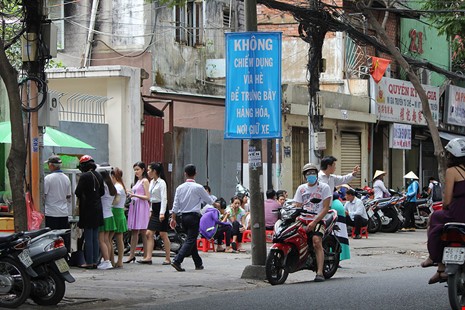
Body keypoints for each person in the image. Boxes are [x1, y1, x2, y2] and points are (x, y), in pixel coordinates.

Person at [422, 138, 465, 284]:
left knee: (433, 219)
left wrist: (447, 206)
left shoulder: (452, 171)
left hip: (456, 214)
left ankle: (433, 257)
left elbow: (446, 201)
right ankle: (440, 268)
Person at [170, 164, 218, 272]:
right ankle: (177, 260)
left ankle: (198, 263)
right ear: (195, 173)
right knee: (190, 239)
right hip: (193, 217)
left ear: (185, 174)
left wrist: (173, 218)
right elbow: (208, 200)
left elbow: (175, 205)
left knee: (190, 240)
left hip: (183, 217)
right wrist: (216, 205)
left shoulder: (179, 188)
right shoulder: (198, 187)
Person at [293, 163, 332, 282]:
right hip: (303, 219)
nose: (311, 175)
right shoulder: (301, 189)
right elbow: (297, 204)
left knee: (316, 241)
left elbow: (325, 208)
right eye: (308, 173)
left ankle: (319, 272)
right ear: (305, 176)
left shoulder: (324, 187)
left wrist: (314, 222)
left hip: (318, 219)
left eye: (313, 173)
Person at [75, 155, 104, 269]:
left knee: (88, 237)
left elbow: (78, 192)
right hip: (98, 208)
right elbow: (102, 192)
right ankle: (95, 261)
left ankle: (89, 262)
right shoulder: (99, 175)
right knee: (95, 237)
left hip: (87, 209)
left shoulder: (84, 176)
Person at [140, 162, 171, 265]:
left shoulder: (162, 183)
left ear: (155, 171)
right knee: (149, 233)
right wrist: (150, 210)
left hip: (162, 208)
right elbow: (152, 199)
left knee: (163, 234)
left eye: (149, 170)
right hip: (154, 208)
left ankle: (168, 258)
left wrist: (162, 213)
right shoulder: (152, 182)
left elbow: (164, 198)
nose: (148, 172)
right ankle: (148, 257)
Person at [44, 155, 72, 254]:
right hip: (63, 213)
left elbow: (44, 195)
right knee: (62, 239)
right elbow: (68, 196)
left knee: (51, 239)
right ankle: (64, 257)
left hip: (50, 213)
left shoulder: (48, 178)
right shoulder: (66, 178)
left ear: (51, 165)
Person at [125, 161, 151, 263]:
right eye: (135, 170)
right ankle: (132, 254)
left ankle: (145, 255)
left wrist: (135, 195)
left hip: (142, 207)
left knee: (143, 231)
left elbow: (148, 197)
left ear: (143, 170)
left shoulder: (145, 181)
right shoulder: (137, 182)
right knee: (135, 231)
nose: (136, 172)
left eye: (137, 169)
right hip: (135, 206)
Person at [97, 169, 117, 270]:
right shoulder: (111, 186)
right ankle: (107, 260)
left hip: (103, 216)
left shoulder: (103, 187)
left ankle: (106, 261)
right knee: (107, 240)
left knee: (102, 241)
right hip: (109, 215)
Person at [109, 167, 128, 268]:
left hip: (116, 212)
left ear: (113, 176)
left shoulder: (117, 187)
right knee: (119, 238)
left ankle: (114, 260)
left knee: (110, 238)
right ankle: (119, 260)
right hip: (119, 212)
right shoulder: (121, 185)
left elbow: (116, 200)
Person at [331, 192, 350, 261]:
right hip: (340, 218)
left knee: (334, 238)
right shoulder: (337, 201)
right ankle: (337, 258)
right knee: (339, 237)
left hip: (335, 218)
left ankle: (334, 258)